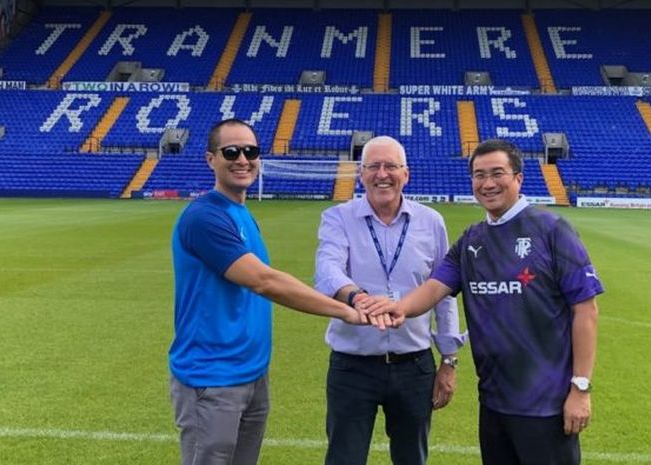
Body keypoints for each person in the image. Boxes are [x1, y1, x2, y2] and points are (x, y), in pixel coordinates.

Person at [363, 139, 603, 465]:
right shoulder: (473, 239)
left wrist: (581, 388)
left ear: (518, 178)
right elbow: (435, 287)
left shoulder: (551, 229)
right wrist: (398, 308)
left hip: (546, 404)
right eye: (478, 175)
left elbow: (586, 310)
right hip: (493, 402)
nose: (487, 183)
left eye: (497, 173)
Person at [168, 118, 384, 465]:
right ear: (211, 159)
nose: (242, 159)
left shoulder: (240, 214)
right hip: (212, 377)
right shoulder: (204, 217)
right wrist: (345, 310)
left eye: (250, 151)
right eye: (232, 151)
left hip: (251, 373)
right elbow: (264, 281)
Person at [314, 135, 465, 465]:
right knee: (343, 458)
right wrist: (359, 299)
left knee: (412, 459)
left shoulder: (431, 222)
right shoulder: (337, 217)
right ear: (361, 174)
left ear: (406, 174)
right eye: (373, 166)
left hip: (414, 366)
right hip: (352, 366)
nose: (382, 174)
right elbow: (327, 269)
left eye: (391, 166)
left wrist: (449, 360)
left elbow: (444, 293)